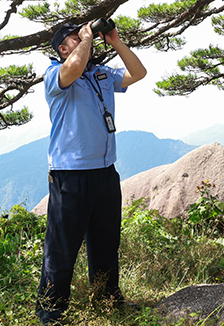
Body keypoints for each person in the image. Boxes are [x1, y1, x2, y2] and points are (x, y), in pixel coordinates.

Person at [36, 19, 147, 325]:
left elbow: (137, 73)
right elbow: (71, 69)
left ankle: (108, 298)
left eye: (82, 34)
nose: (83, 38)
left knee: (106, 240)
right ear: (63, 48)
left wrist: (114, 41)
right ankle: (51, 313)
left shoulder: (99, 74)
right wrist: (85, 40)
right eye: (74, 37)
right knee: (62, 246)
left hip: (105, 171)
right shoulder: (54, 75)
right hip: (70, 174)